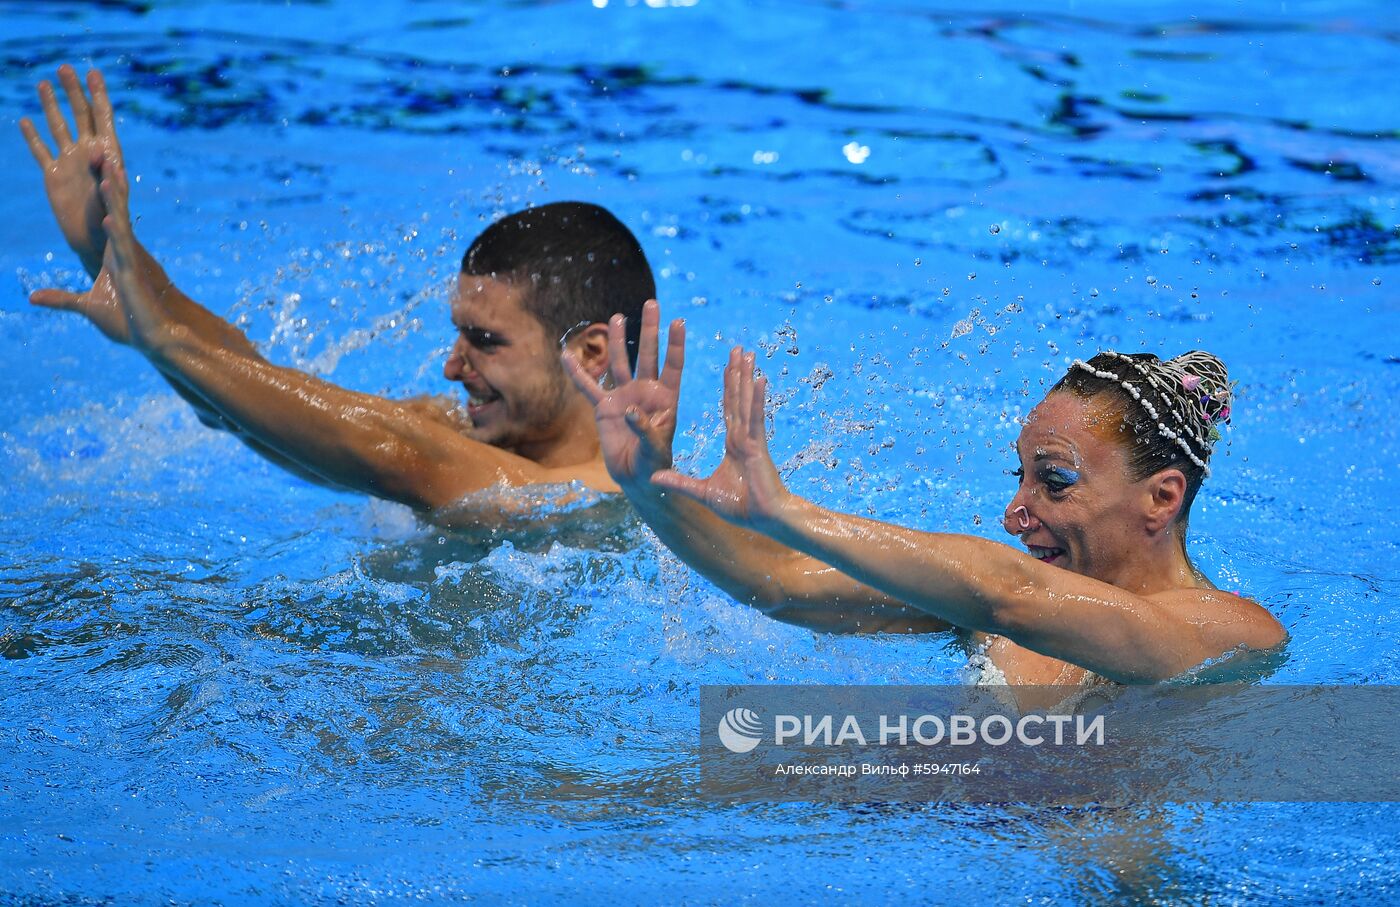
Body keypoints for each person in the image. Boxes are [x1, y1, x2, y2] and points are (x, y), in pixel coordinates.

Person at [20, 66, 655, 524]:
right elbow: (257, 405)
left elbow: (392, 455)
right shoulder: (471, 430)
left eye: (486, 341)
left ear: (591, 352)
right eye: (459, 334)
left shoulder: (604, 498)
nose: (451, 366)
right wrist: (116, 261)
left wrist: (167, 341)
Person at [565, 302, 1287, 686]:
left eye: (1055, 482)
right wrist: (647, 486)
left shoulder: (1232, 632)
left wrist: (787, 509)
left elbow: (1014, 596)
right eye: (1019, 477)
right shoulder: (983, 608)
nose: (1015, 513)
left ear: (1162, 498)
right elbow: (780, 584)